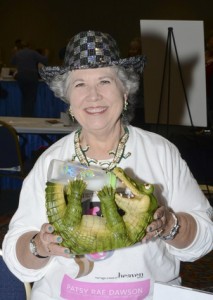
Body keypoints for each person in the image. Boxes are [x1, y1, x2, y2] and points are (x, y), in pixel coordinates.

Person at [2, 30, 213, 300]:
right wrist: (40, 245)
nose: (93, 96)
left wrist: (170, 225)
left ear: (125, 90)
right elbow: (16, 258)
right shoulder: (52, 162)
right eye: (79, 84)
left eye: (104, 81)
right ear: (68, 98)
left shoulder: (160, 152)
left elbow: (203, 237)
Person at [11, 41, 48, 117]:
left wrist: (14, 53)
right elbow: (44, 60)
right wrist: (47, 53)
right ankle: (29, 116)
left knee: (24, 97)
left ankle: (24, 115)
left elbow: (12, 62)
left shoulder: (18, 53)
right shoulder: (33, 53)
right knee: (31, 98)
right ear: (29, 46)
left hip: (21, 76)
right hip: (32, 76)